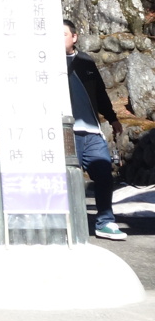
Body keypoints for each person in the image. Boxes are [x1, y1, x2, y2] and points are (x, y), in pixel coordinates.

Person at [64, 18, 126, 240]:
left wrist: (112, 119)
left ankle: (105, 222)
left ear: (74, 37)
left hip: (91, 132)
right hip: (66, 133)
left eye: (63, 34)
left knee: (104, 176)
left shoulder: (85, 61)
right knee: (71, 179)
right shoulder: (47, 64)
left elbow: (100, 92)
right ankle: (70, 222)